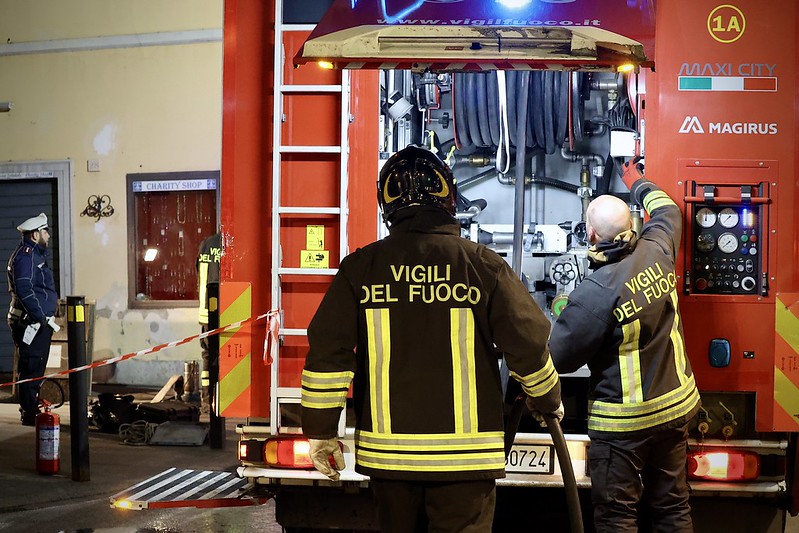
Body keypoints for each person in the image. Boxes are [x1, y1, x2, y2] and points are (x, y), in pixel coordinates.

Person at [301, 146, 562, 532]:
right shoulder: (483, 266)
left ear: (386, 204)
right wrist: (548, 400)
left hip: (391, 464)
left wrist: (321, 431)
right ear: (448, 198)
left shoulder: (361, 268)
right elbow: (527, 344)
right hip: (466, 465)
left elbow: (329, 352)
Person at [548, 159, 700, 532]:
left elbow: (557, 357)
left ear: (591, 236)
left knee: (618, 516)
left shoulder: (594, 295)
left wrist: (563, 314)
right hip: (676, 409)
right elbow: (667, 208)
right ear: (632, 226)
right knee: (672, 506)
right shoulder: (658, 249)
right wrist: (636, 179)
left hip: (624, 427)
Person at [7, 213, 59, 426]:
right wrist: (40, 317)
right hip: (32, 322)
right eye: (46, 231)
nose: (48, 236)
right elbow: (24, 289)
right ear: (36, 234)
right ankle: (29, 414)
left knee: (35, 367)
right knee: (31, 367)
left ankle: (31, 408)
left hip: (36, 321)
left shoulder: (34, 255)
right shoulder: (27, 257)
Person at [197, 231, 222, 413]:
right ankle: (222, 398)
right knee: (225, 355)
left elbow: (199, 273)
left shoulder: (206, 243)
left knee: (208, 357)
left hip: (205, 313)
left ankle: (207, 400)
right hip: (225, 312)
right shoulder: (229, 243)